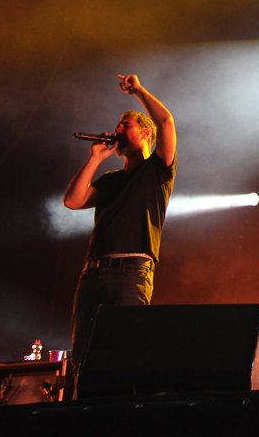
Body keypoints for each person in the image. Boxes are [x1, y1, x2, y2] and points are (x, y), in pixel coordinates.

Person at [63, 73, 176, 393]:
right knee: (83, 354)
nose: (116, 132)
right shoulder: (110, 180)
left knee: (126, 350)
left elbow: (166, 121)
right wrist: (95, 158)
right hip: (93, 274)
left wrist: (138, 91)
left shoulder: (157, 170)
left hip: (131, 272)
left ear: (144, 133)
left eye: (124, 126)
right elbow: (72, 201)